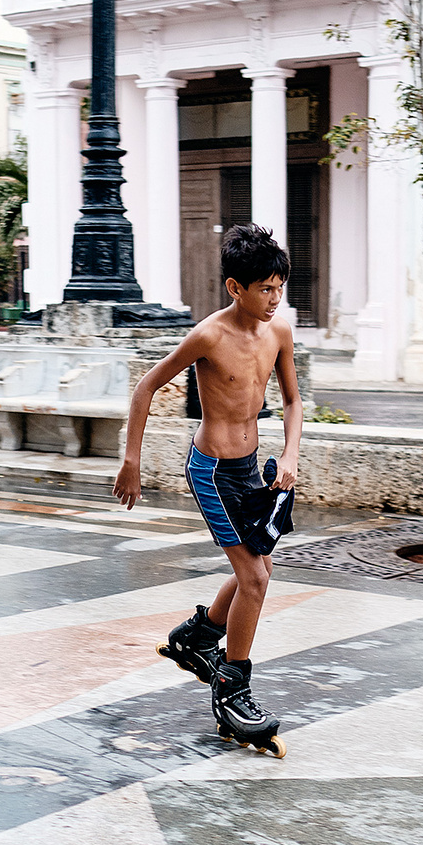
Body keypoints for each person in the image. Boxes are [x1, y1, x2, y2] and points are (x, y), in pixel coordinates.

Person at [113, 224, 301, 758]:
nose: (274, 298)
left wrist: (288, 454)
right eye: (264, 288)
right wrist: (132, 461)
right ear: (233, 287)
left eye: (279, 287)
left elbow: (291, 400)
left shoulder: (279, 332)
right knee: (255, 577)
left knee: (255, 576)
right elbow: (147, 386)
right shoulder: (208, 336)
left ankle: (195, 637)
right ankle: (231, 691)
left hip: (252, 472)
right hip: (213, 472)